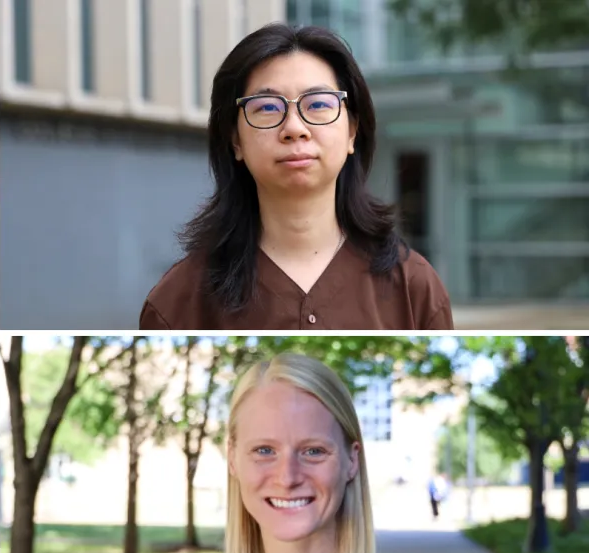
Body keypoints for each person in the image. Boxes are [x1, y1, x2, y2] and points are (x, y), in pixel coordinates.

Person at [139, 24, 452, 330]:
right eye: (267, 107)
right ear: (235, 139)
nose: (294, 128)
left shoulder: (414, 288)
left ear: (352, 131)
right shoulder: (178, 302)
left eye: (317, 104)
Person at [154, 353, 458, 553]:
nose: (287, 477)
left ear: (351, 460)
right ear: (232, 458)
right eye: (264, 450)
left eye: (313, 451)